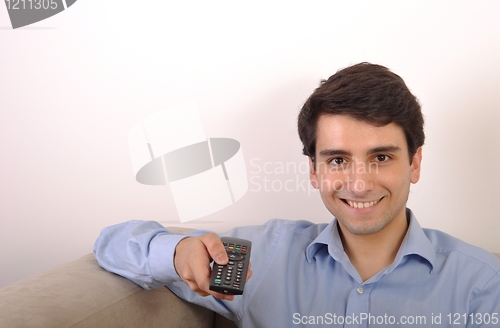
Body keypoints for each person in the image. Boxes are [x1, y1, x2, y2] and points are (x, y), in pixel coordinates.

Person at [94, 63, 500, 327]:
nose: (359, 183)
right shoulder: (264, 257)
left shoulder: (481, 285)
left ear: (414, 164)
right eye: (338, 160)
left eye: (380, 157)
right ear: (314, 171)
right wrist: (180, 250)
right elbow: (113, 244)